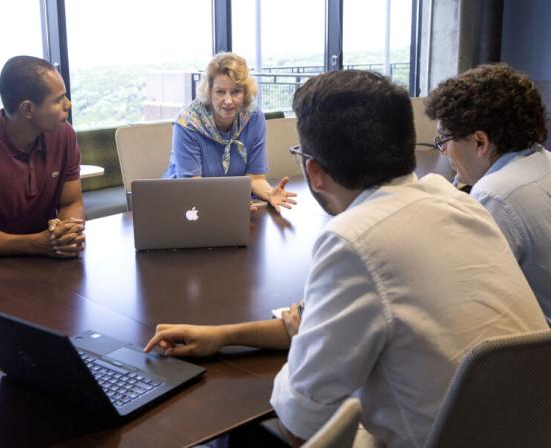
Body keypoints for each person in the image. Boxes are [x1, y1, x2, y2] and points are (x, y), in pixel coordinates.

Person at [145, 69, 548, 447]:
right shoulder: (460, 205)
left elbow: (296, 422)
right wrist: (226, 336)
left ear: (315, 172)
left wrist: (299, 343)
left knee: (243, 436)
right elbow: (332, 314)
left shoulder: (355, 239)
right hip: (526, 432)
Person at [425, 63, 551, 321]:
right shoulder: (543, 161)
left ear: (480, 142)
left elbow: (463, 297)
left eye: (444, 139)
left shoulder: (494, 196)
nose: (443, 152)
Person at [0, 55, 85, 257]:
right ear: (28, 109)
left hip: (44, 262)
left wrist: (66, 232)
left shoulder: (64, 134)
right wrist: (35, 244)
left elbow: (71, 202)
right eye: (58, 100)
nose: (68, 104)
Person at [164, 52, 297, 213]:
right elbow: (193, 187)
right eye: (220, 92)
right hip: (187, 205)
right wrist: (229, 203)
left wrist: (270, 194)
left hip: (234, 205)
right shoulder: (187, 123)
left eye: (235, 92)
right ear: (209, 92)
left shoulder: (254, 117)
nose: (228, 100)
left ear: (245, 93)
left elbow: (254, 178)